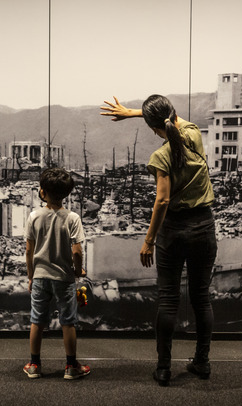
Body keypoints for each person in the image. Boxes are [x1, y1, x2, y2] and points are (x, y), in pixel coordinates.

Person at [100, 95, 217, 386]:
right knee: (201, 298)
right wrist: (136, 113)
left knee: (168, 299)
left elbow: (162, 200)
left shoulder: (161, 157)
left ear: (154, 128)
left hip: (173, 230)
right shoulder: (193, 134)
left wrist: (149, 240)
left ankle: (164, 368)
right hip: (203, 225)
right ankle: (202, 362)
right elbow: (167, 117)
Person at [23, 167, 91, 380]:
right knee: (67, 322)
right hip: (64, 278)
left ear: (42, 192)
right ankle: (71, 367)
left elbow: (28, 250)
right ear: (66, 193)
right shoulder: (72, 218)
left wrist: (30, 276)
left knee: (37, 321)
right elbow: (77, 251)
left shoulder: (34, 216)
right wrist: (78, 270)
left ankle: (34, 365)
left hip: (41, 276)